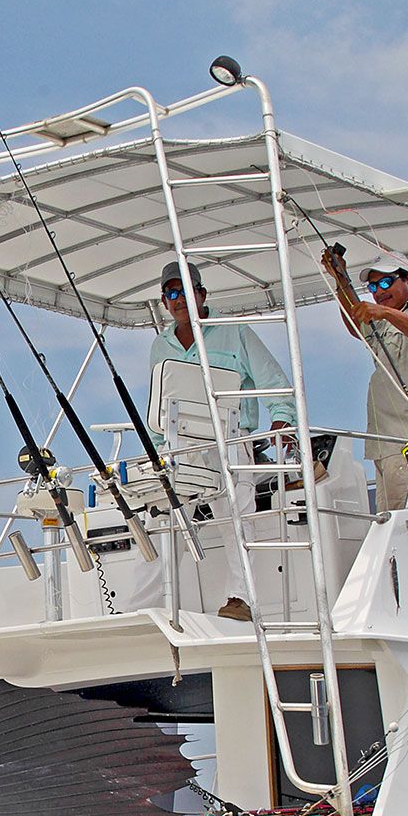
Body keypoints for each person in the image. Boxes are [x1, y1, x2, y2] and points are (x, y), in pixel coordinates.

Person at [149, 258, 297, 622]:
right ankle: (149, 604)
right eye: (171, 293)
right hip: (178, 443)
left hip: (228, 438)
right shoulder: (159, 345)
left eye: (185, 291)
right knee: (163, 517)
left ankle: (239, 598)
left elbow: (273, 380)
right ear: (164, 302)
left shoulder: (235, 332)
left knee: (236, 516)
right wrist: (153, 450)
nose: (179, 299)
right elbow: (157, 402)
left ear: (201, 294)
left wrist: (282, 418)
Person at [341, 248, 408, 511]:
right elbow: (357, 324)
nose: (379, 292)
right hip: (385, 445)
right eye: (373, 287)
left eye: (386, 282)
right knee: (388, 520)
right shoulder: (385, 320)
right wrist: (339, 278)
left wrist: (386, 313)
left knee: (401, 523)